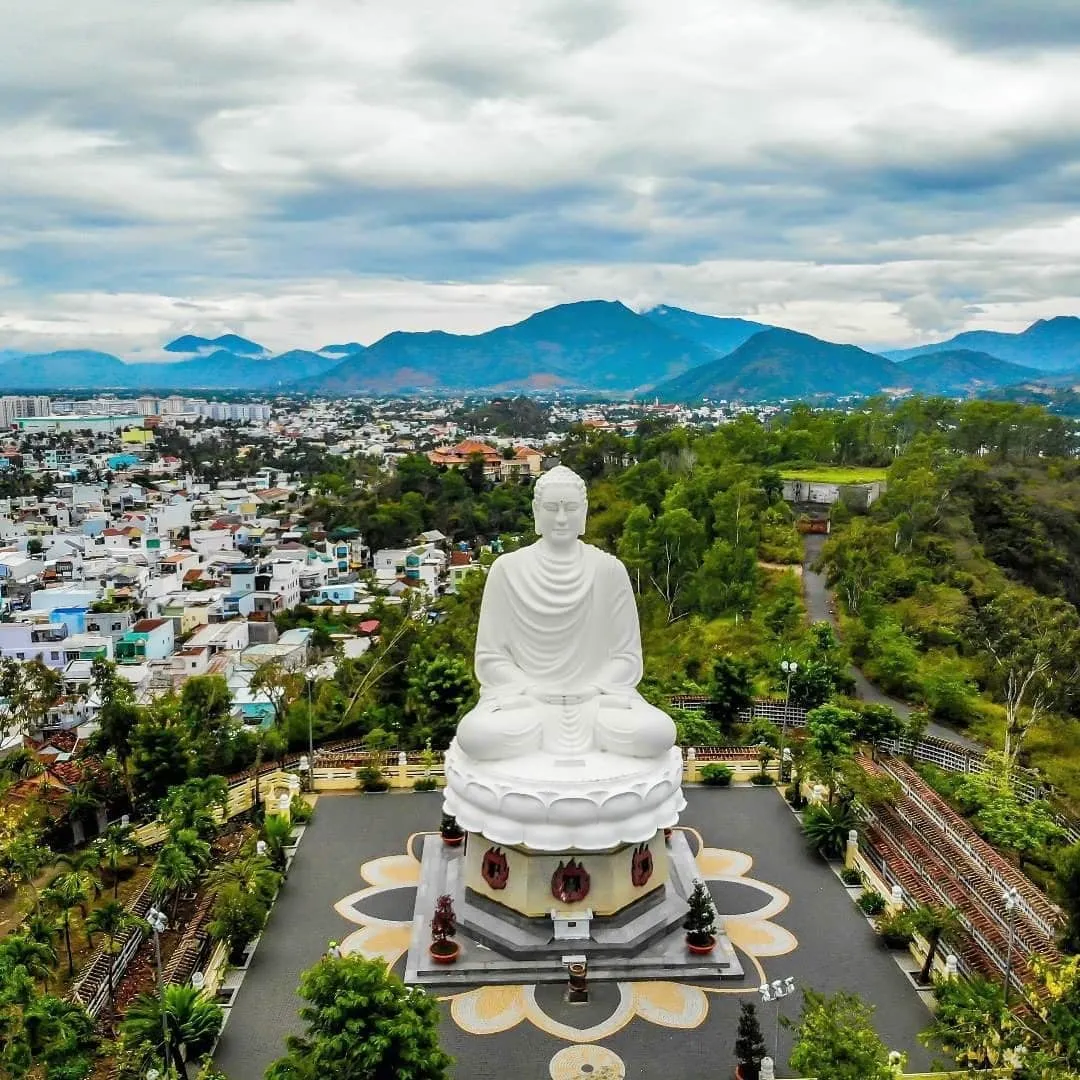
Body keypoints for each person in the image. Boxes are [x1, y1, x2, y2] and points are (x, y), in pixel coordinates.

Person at [454, 465, 675, 762]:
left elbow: (627, 657)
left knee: (656, 732)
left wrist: (592, 689)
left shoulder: (609, 570)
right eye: (551, 508)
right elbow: (491, 658)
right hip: (527, 702)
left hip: (596, 701)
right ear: (536, 511)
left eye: (570, 508)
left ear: (584, 511)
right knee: (477, 735)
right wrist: (531, 689)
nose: (561, 518)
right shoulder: (506, 570)